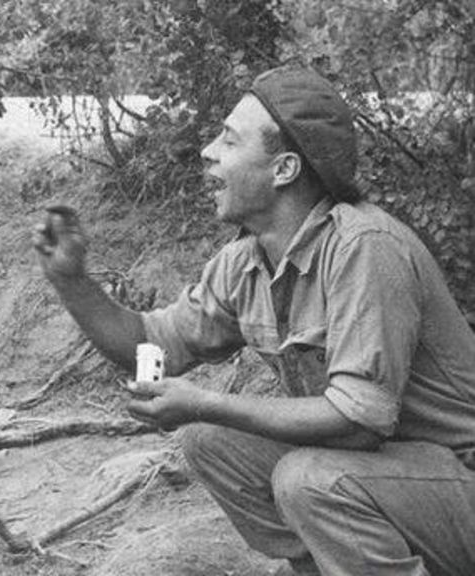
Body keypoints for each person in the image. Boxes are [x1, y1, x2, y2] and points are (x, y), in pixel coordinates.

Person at [32, 66, 475, 576]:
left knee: (308, 479)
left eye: (228, 140)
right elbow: (150, 345)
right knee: (209, 442)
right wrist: (72, 282)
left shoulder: (366, 248)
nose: (208, 153)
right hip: (387, 476)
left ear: (284, 169)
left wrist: (208, 401)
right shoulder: (245, 262)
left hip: (457, 482)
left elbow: (357, 422)